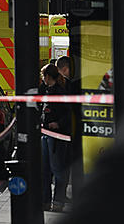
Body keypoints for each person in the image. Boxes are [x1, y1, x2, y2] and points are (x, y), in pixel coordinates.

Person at [40, 63, 70, 212]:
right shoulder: (45, 90)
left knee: (57, 170)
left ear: (47, 76)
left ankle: (58, 202)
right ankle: (45, 201)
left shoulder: (60, 92)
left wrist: (58, 123)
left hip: (57, 137)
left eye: (43, 76)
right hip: (45, 134)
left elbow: (68, 113)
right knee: (45, 170)